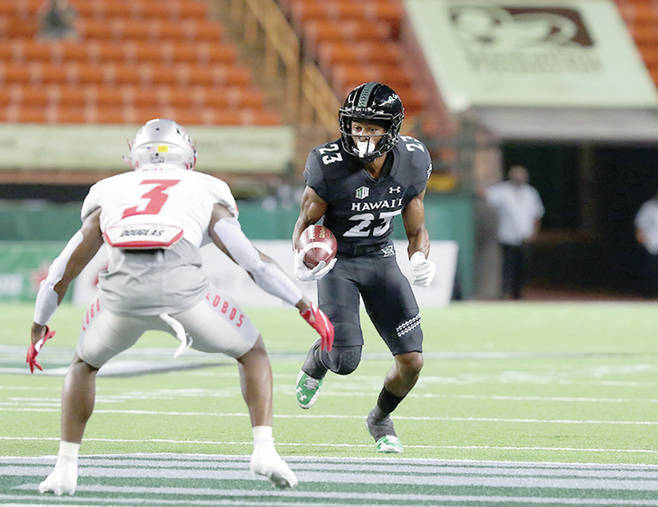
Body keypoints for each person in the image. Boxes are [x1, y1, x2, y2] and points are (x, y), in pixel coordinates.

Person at [26, 119, 335, 495]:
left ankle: (65, 468)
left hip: (121, 299)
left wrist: (39, 325)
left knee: (83, 365)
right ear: (189, 156)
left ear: (136, 155)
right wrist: (306, 307)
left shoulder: (108, 191)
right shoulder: (205, 188)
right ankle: (264, 450)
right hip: (184, 295)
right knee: (252, 352)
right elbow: (253, 263)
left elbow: (61, 272)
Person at [291, 82, 436, 454]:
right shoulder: (328, 165)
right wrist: (302, 256)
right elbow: (305, 224)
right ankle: (317, 359)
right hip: (338, 264)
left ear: (391, 129)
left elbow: (416, 228)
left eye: (372, 128)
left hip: (380, 258)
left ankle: (380, 418)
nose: (362, 135)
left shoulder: (412, 160)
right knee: (344, 361)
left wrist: (420, 258)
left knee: (412, 361)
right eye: (357, 126)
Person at [483, 165, 544, 299]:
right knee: (507, 265)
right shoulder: (502, 190)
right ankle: (506, 291)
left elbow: (537, 214)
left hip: (525, 236)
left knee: (522, 266)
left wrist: (534, 232)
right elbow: (485, 194)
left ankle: (518, 292)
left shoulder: (530, 193)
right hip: (507, 236)